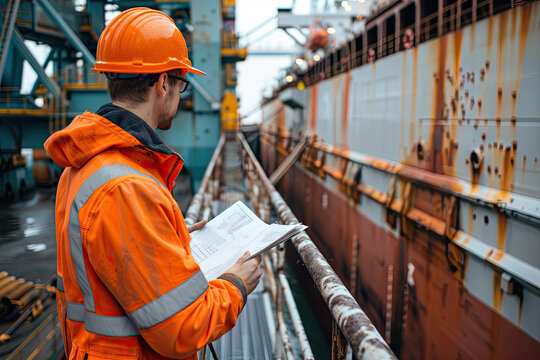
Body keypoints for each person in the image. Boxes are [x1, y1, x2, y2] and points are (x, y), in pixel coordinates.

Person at [44, 7, 262, 359]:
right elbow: (182, 326)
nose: (180, 94)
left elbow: (110, 257)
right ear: (163, 83)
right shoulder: (128, 187)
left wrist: (171, 235)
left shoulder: (84, 165)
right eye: (181, 83)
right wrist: (236, 285)